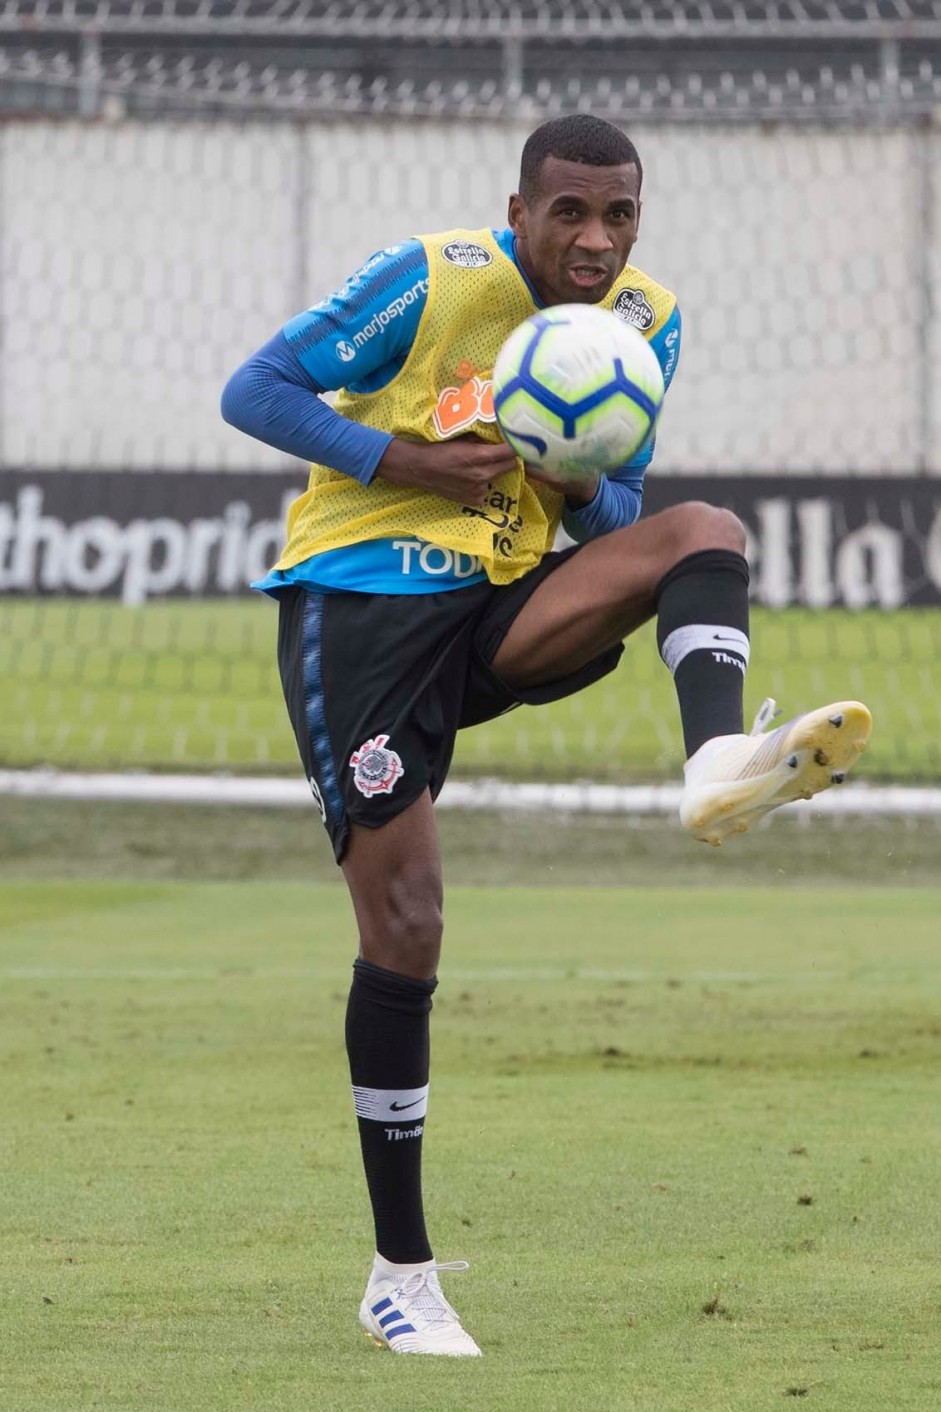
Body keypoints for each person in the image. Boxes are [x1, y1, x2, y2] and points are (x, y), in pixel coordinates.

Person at [221, 114, 871, 1357]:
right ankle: (398, 1272)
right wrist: (405, 458)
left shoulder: (642, 321)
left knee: (698, 531)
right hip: (361, 606)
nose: (594, 239)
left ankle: (711, 768)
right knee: (406, 925)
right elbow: (255, 388)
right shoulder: (432, 276)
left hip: (503, 606)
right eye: (568, 213)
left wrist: (580, 482)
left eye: (617, 215)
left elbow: (611, 511)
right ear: (515, 209)